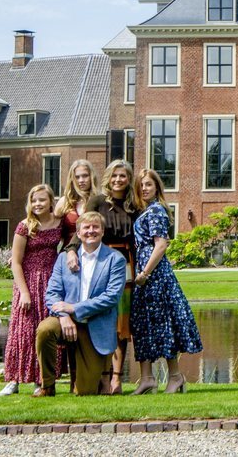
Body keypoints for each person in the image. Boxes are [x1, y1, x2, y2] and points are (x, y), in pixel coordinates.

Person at [66, 159, 142, 394]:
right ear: (109, 177)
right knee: (102, 318)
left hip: (126, 263)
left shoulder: (133, 205)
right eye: (115, 175)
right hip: (99, 262)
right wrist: (71, 250)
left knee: (121, 324)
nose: (119, 180)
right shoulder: (98, 201)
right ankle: (102, 376)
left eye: (123, 176)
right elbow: (84, 227)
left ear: (129, 179)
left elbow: (138, 241)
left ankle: (117, 379)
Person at [34, 211, 126, 396]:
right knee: (45, 329)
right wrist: (64, 315)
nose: (91, 231)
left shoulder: (115, 259)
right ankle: (47, 385)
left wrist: (74, 308)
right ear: (78, 232)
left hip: (95, 325)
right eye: (86, 227)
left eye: (95, 227)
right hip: (65, 321)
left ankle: (94, 380)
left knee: (84, 392)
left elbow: (111, 297)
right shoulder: (64, 259)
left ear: (102, 231)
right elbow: (52, 294)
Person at [130, 168, 202, 394]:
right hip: (146, 274)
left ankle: (175, 376)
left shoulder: (156, 211)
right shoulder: (145, 211)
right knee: (144, 324)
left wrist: (145, 273)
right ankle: (147, 378)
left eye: (149, 184)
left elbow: (161, 244)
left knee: (163, 323)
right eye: (141, 185)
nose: (144, 188)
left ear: (157, 187)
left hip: (155, 275)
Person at [0, 184, 64, 396]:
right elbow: (16, 262)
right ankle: (13, 380)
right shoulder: (25, 226)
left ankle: (42, 379)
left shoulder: (58, 223)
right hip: (27, 282)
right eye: (34, 200)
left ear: (51, 201)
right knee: (22, 331)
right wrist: (24, 292)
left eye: (42, 200)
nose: (38, 204)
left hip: (51, 282)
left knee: (44, 332)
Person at [55, 159, 96, 244]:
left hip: (93, 252)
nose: (81, 180)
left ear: (91, 177)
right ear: (72, 179)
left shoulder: (98, 200)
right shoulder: (64, 202)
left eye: (85, 176)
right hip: (68, 252)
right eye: (77, 177)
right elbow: (52, 230)